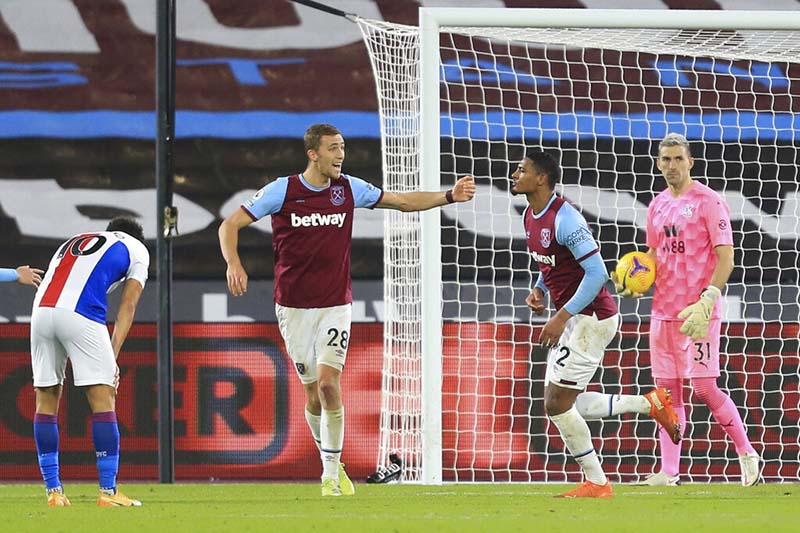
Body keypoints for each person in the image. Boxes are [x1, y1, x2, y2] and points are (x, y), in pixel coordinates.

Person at [218, 123, 476, 496]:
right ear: (313, 154)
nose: (341, 155)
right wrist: (233, 263)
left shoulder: (348, 189)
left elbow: (402, 201)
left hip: (335, 304)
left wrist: (448, 196)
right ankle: (333, 460)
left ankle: (327, 477)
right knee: (311, 394)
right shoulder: (283, 190)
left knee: (328, 384)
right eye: (333, 148)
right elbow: (230, 224)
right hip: (292, 308)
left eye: (343, 147)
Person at [514, 150, 681, 499]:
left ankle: (598, 482)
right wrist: (540, 289)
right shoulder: (531, 215)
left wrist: (561, 316)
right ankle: (649, 404)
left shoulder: (567, 220)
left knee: (555, 405)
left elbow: (597, 274)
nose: (515, 174)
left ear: (541, 178)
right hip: (577, 319)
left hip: (592, 319)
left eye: (522, 170)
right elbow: (554, 264)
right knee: (564, 402)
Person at [613, 133, 761, 487]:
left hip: (697, 313)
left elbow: (727, 257)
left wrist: (708, 299)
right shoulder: (657, 205)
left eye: (678, 159)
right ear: (658, 163)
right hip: (662, 311)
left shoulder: (709, 201)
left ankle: (747, 454)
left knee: (705, 389)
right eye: (666, 160)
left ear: (690, 162)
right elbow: (652, 255)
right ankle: (669, 472)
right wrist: (634, 279)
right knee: (666, 395)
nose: (672, 166)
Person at [30, 216, 149, 507]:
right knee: (103, 398)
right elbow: (128, 304)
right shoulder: (137, 249)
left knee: (46, 399)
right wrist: (113, 355)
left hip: (41, 313)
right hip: (81, 314)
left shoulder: (73, 241)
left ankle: (54, 492)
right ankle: (108, 492)